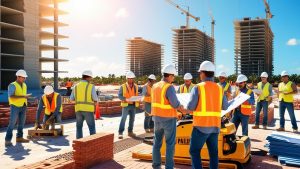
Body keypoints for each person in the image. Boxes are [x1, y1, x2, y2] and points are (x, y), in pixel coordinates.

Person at [187, 61, 229, 169]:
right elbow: (225, 106)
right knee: (213, 154)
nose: (200, 75)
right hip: (215, 127)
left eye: (200, 73)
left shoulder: (198, 87)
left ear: (203, 73)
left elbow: (190, 107)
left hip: (200, 127)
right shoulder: (220, 88)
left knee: (194, 151)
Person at [152, 64, 184, 169]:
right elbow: (175, 104)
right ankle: (169, 167)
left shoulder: (155, 86)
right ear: (169, 75)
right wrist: (181, 107)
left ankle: (156, 166)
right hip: (168, 119)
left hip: (156, 118)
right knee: (170, 144)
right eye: (173, 76)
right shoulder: (169, 87)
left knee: (157, 143)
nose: (173, 78)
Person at [5, 70, 30, 146]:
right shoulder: (12, 85)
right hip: (15, 106)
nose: (24, 79)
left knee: (21, 123)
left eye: (25, 77)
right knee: (12, 123)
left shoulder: (24, 85)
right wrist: (23, 96)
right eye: (23, 77)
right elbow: (11, 96)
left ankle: (19, 138)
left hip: (23, 105)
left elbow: (24, 95)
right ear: (18, 77)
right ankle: (7, 140)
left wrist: (27, 102)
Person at [70, 70, 98, 139]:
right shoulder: (91, 86)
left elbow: (71, 100)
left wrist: (78, 102)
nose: (91, 79)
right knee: (91, 127)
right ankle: (93, 143)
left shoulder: (75, 86)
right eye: (91, 78)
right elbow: (95, 99)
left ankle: (79, 144)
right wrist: (94, 103)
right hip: (88, 110)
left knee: (79, 127)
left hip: (78, 109)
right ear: (88, 77)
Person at [118, 71, 140, 139]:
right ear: (127, 79)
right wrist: (125, 99)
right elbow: (119, 95)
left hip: (133, 105)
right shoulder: (123, 86)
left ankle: (130, 132)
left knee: (132, 119)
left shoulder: (136, 86)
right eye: (129, 78)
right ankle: (120, 132)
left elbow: (137, 94)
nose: (130, 80)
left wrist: (139, 98)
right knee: (123, 119)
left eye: (132, 78)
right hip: (126, 105)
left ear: (133, 78)